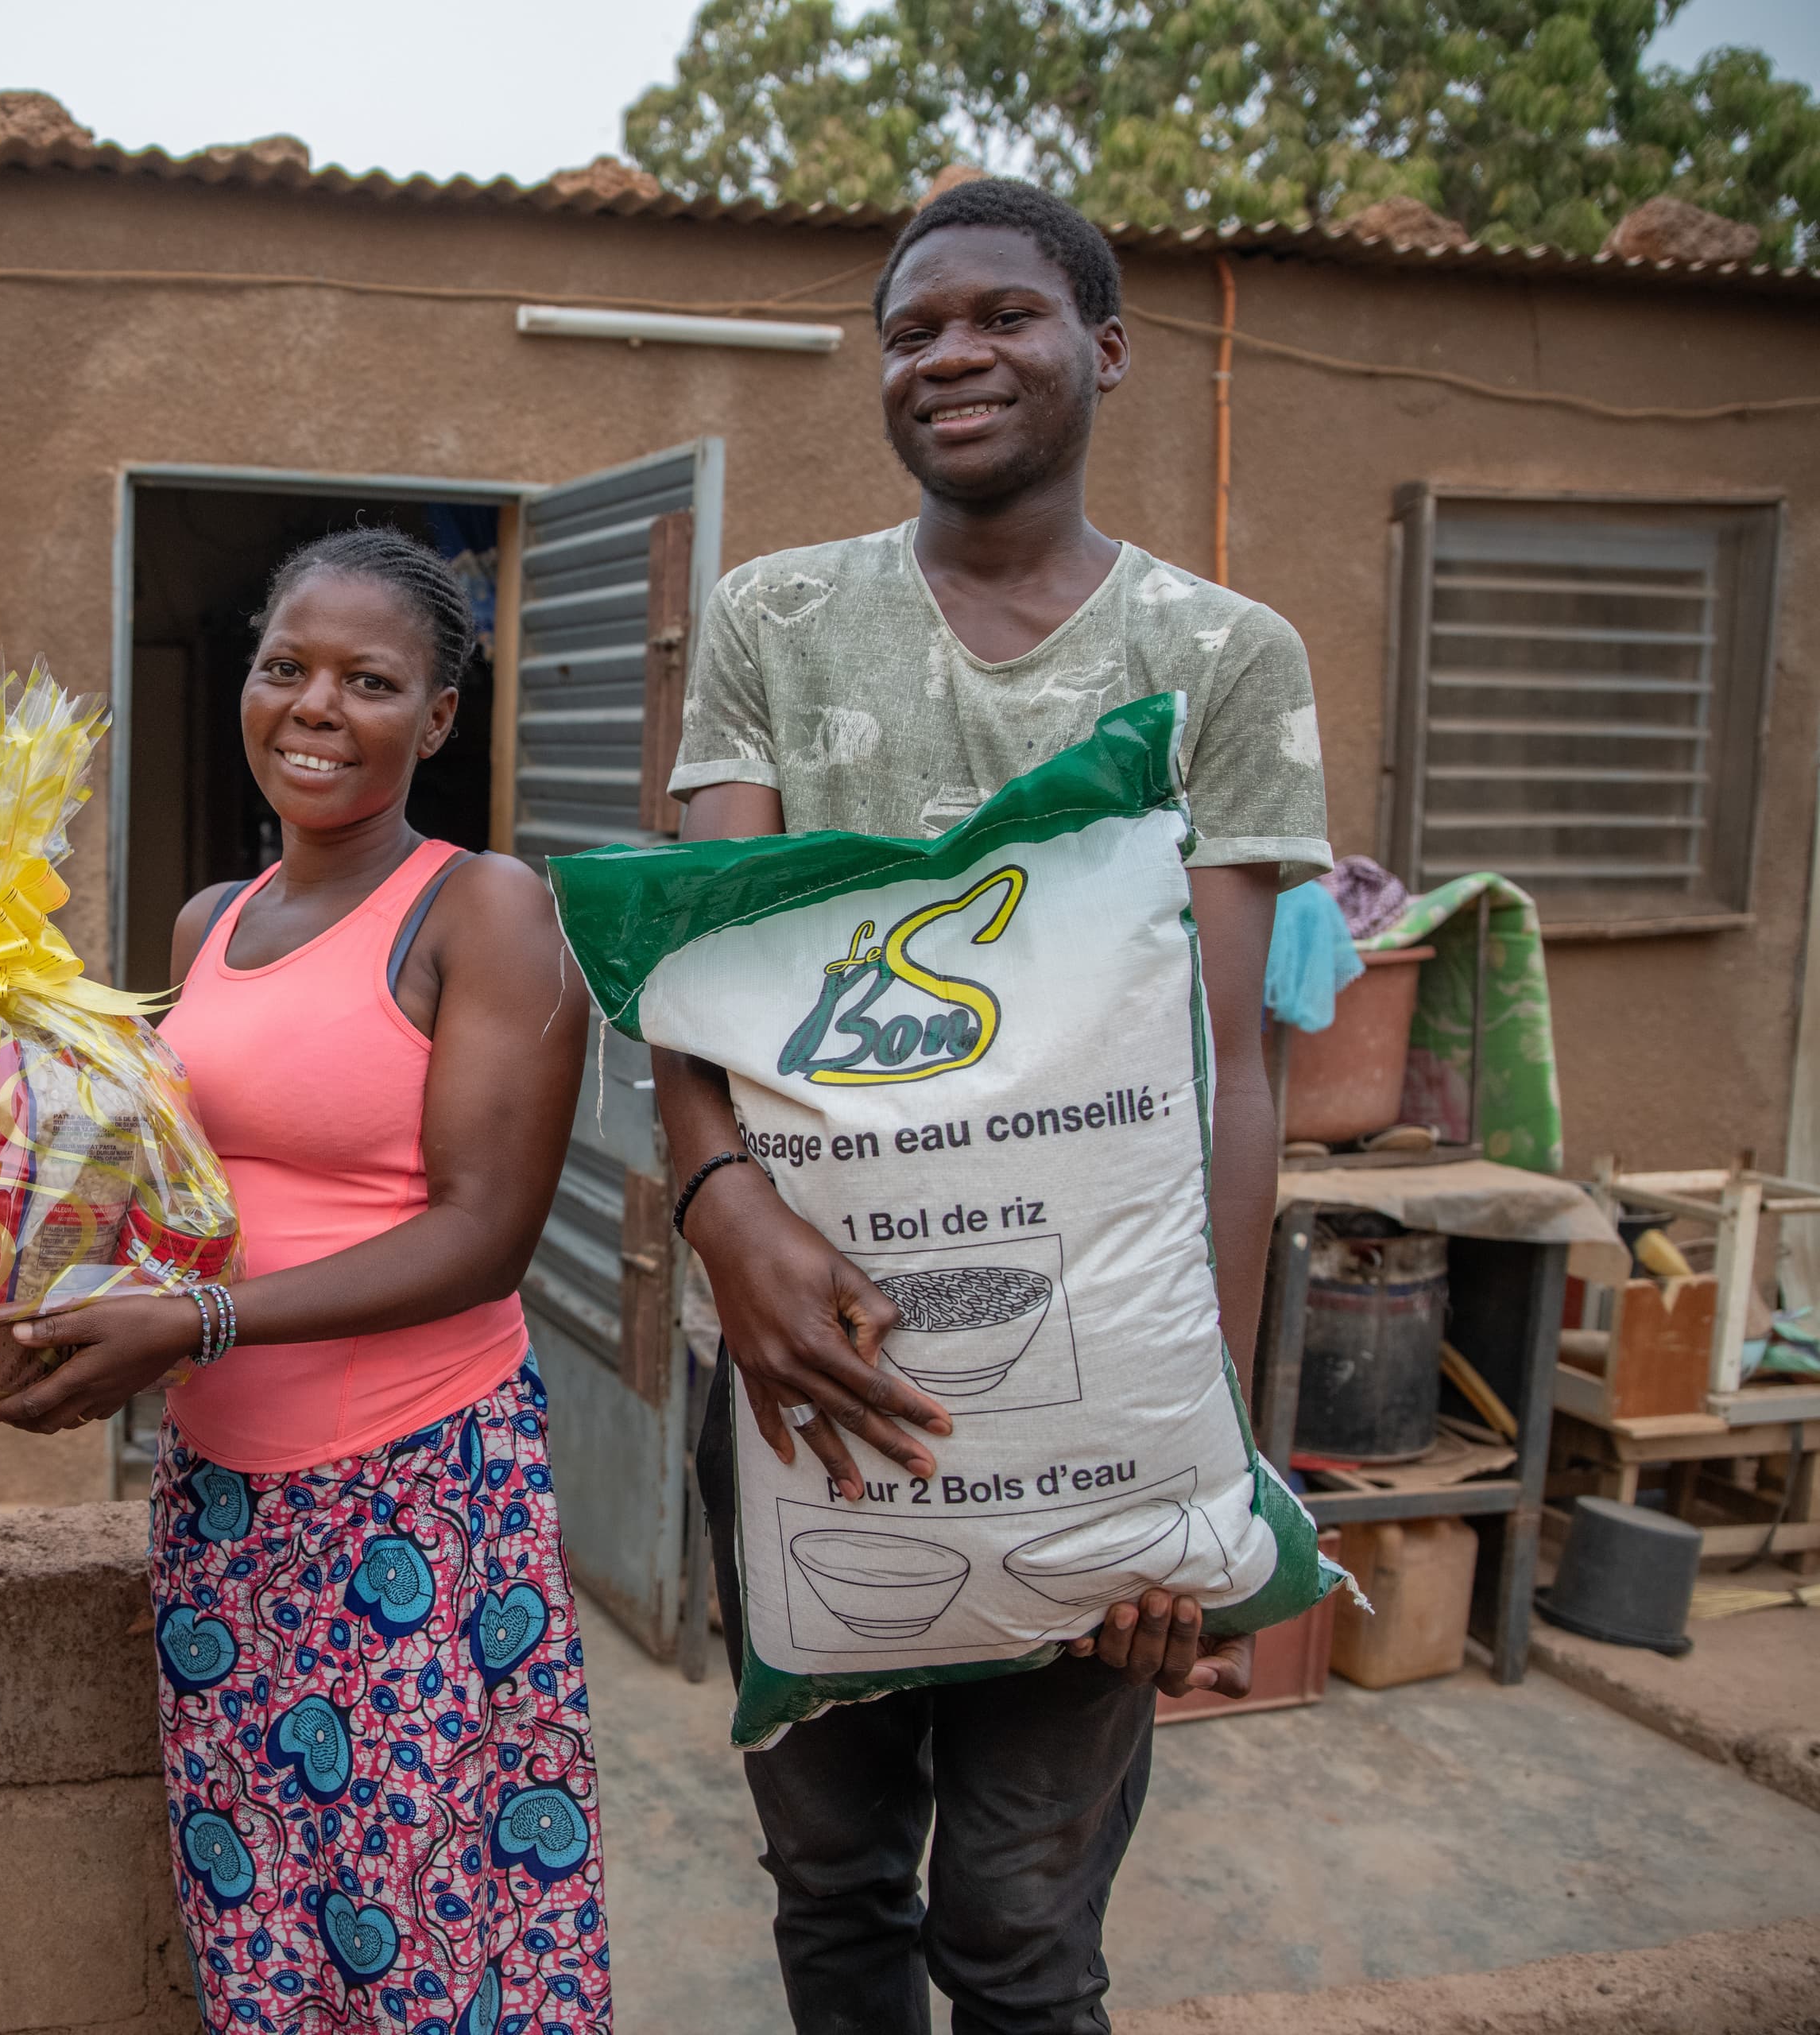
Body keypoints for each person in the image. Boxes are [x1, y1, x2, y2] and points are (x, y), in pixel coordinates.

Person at [654, 180, 1334, 2035]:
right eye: (910, 327)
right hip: (813, 1363)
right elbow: (702, 975)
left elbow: (1232, 1065)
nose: (949, 353)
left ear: (1103, 349)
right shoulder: (775, 619)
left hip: (1104, 1381)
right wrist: (729, 1212)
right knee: (835, 1884)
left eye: (1003, 316)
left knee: (1022, 1926)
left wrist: (1203, 1460)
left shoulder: (1220, 658)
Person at [0, 528, 612, 2031]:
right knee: (260, 1918)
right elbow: (183, 1193)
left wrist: (196, 1319)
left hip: (411, 1491)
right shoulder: (212, 924)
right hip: (224, 1495)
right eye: (287, 668)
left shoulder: (486, 913)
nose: (316, 707)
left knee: (422, 1922)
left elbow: (481, 1233)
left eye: (370, 681)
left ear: (438, 719)